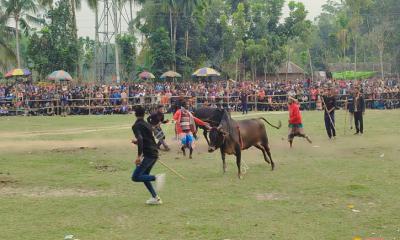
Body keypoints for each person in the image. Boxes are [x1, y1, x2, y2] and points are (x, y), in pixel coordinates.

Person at [131, 106, 165, 205]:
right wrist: (137, 142)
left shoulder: (136, 126)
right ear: (144, 114)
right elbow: (147, 139)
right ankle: (156, 198)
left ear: (135, 114)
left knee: (136, 177)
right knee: (144, 176)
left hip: (149, 154)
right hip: (154, 153)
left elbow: (141, 139)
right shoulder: (147, 124)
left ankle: (156, 177)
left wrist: (138, 156)